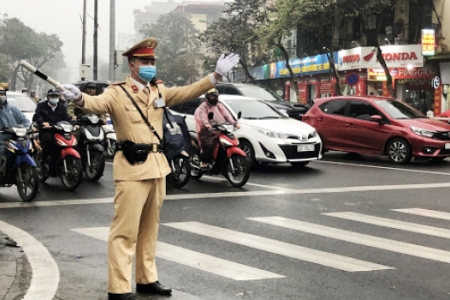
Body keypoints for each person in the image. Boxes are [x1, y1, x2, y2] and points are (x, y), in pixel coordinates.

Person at [60, 37, 239, 300]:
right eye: (145, 61)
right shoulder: (117, 92)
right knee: (125, 230)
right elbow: (97, 104)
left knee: (149, 229)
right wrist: (79, 97)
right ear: (132, 65)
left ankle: (146, 279)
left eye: (153, 61)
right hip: (132, 169)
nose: (151, 65)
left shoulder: (158, 91)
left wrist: (215, 76)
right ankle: (119, 288)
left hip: (157, 167)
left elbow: (188, 91)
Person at [194, 88, 240, 168]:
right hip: (206, 129)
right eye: (212, 96)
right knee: (209, 144)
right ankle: (204, 161)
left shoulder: (219, 105)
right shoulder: (203, 106)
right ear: (207, 97)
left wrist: (234, 123)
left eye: (216, 96)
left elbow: (226, 115)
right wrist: (207, 124)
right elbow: (203, 116)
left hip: (219, 128)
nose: (214, 98)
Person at [33, 88, 73, 166]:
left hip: (60, 130)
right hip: (47, 130)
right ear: (48, 96)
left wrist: (73, 124)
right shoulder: (41, 106)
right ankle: (45, 161)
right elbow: (38, 116)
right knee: (49, 141)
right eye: (52, 96)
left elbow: (67, 118)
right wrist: (43, 123)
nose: (54, 98)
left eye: (56, 96)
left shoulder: (62, 107)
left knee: (70, 140)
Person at [0, 88, 31, 174]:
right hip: (1, 140)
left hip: (15, 138)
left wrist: (28, 127)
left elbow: (24, 120)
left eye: (2, 94)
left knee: (28, 147)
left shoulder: (12, 108)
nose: (1, 97)